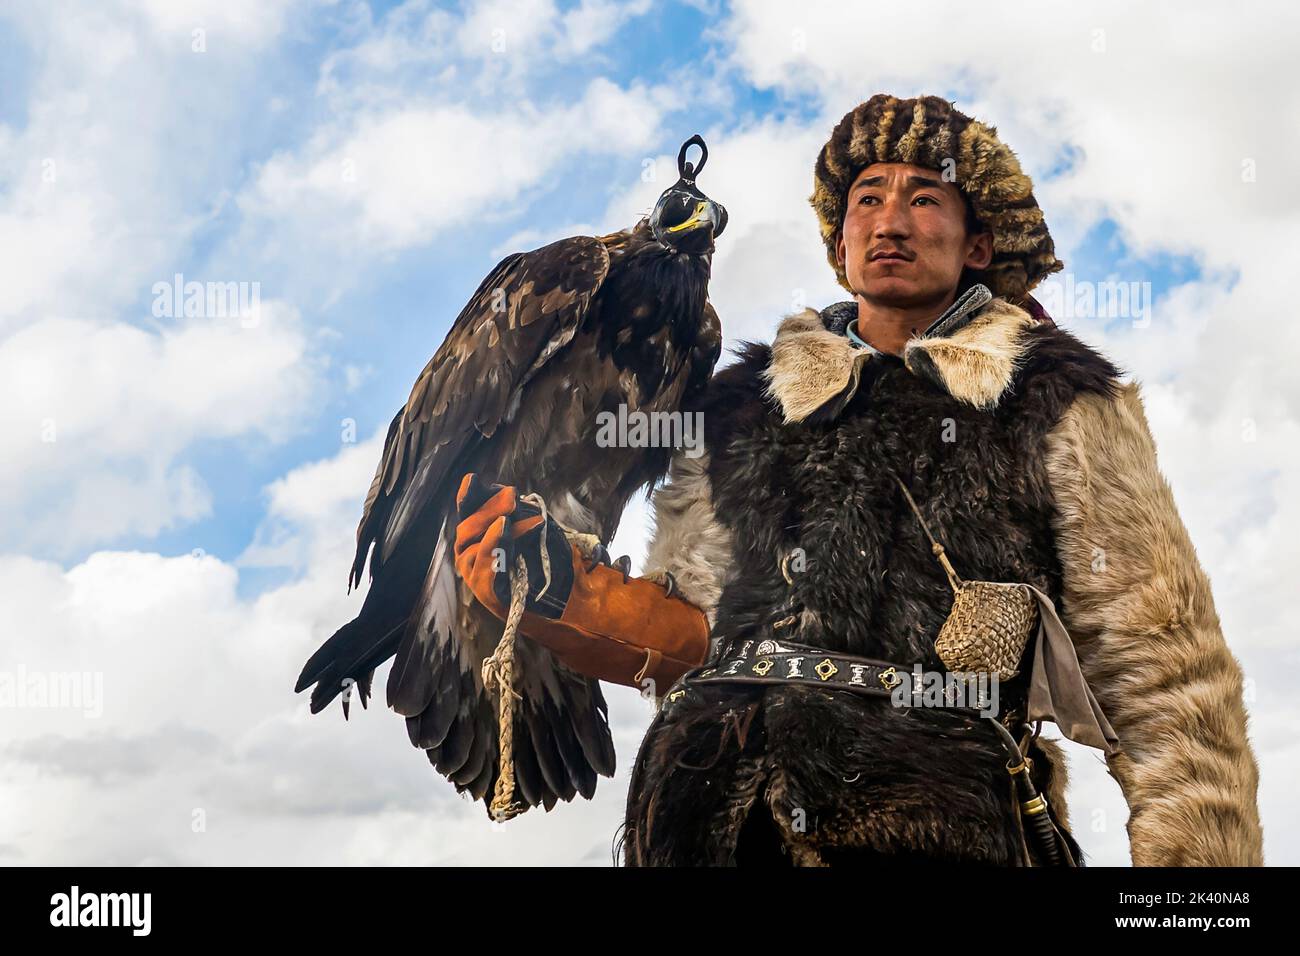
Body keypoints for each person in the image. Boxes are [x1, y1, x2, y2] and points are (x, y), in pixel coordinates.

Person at [452, 94, 1263, 866]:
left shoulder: (1056, 396)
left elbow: (1168, 680)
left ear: (978, 244)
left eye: (924, 199)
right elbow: (690, 633)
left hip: (940, 824)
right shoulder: (742, 403)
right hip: (705, 824)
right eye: (867, 200)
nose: (890, 222)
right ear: (840, 248)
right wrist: (566, 598)